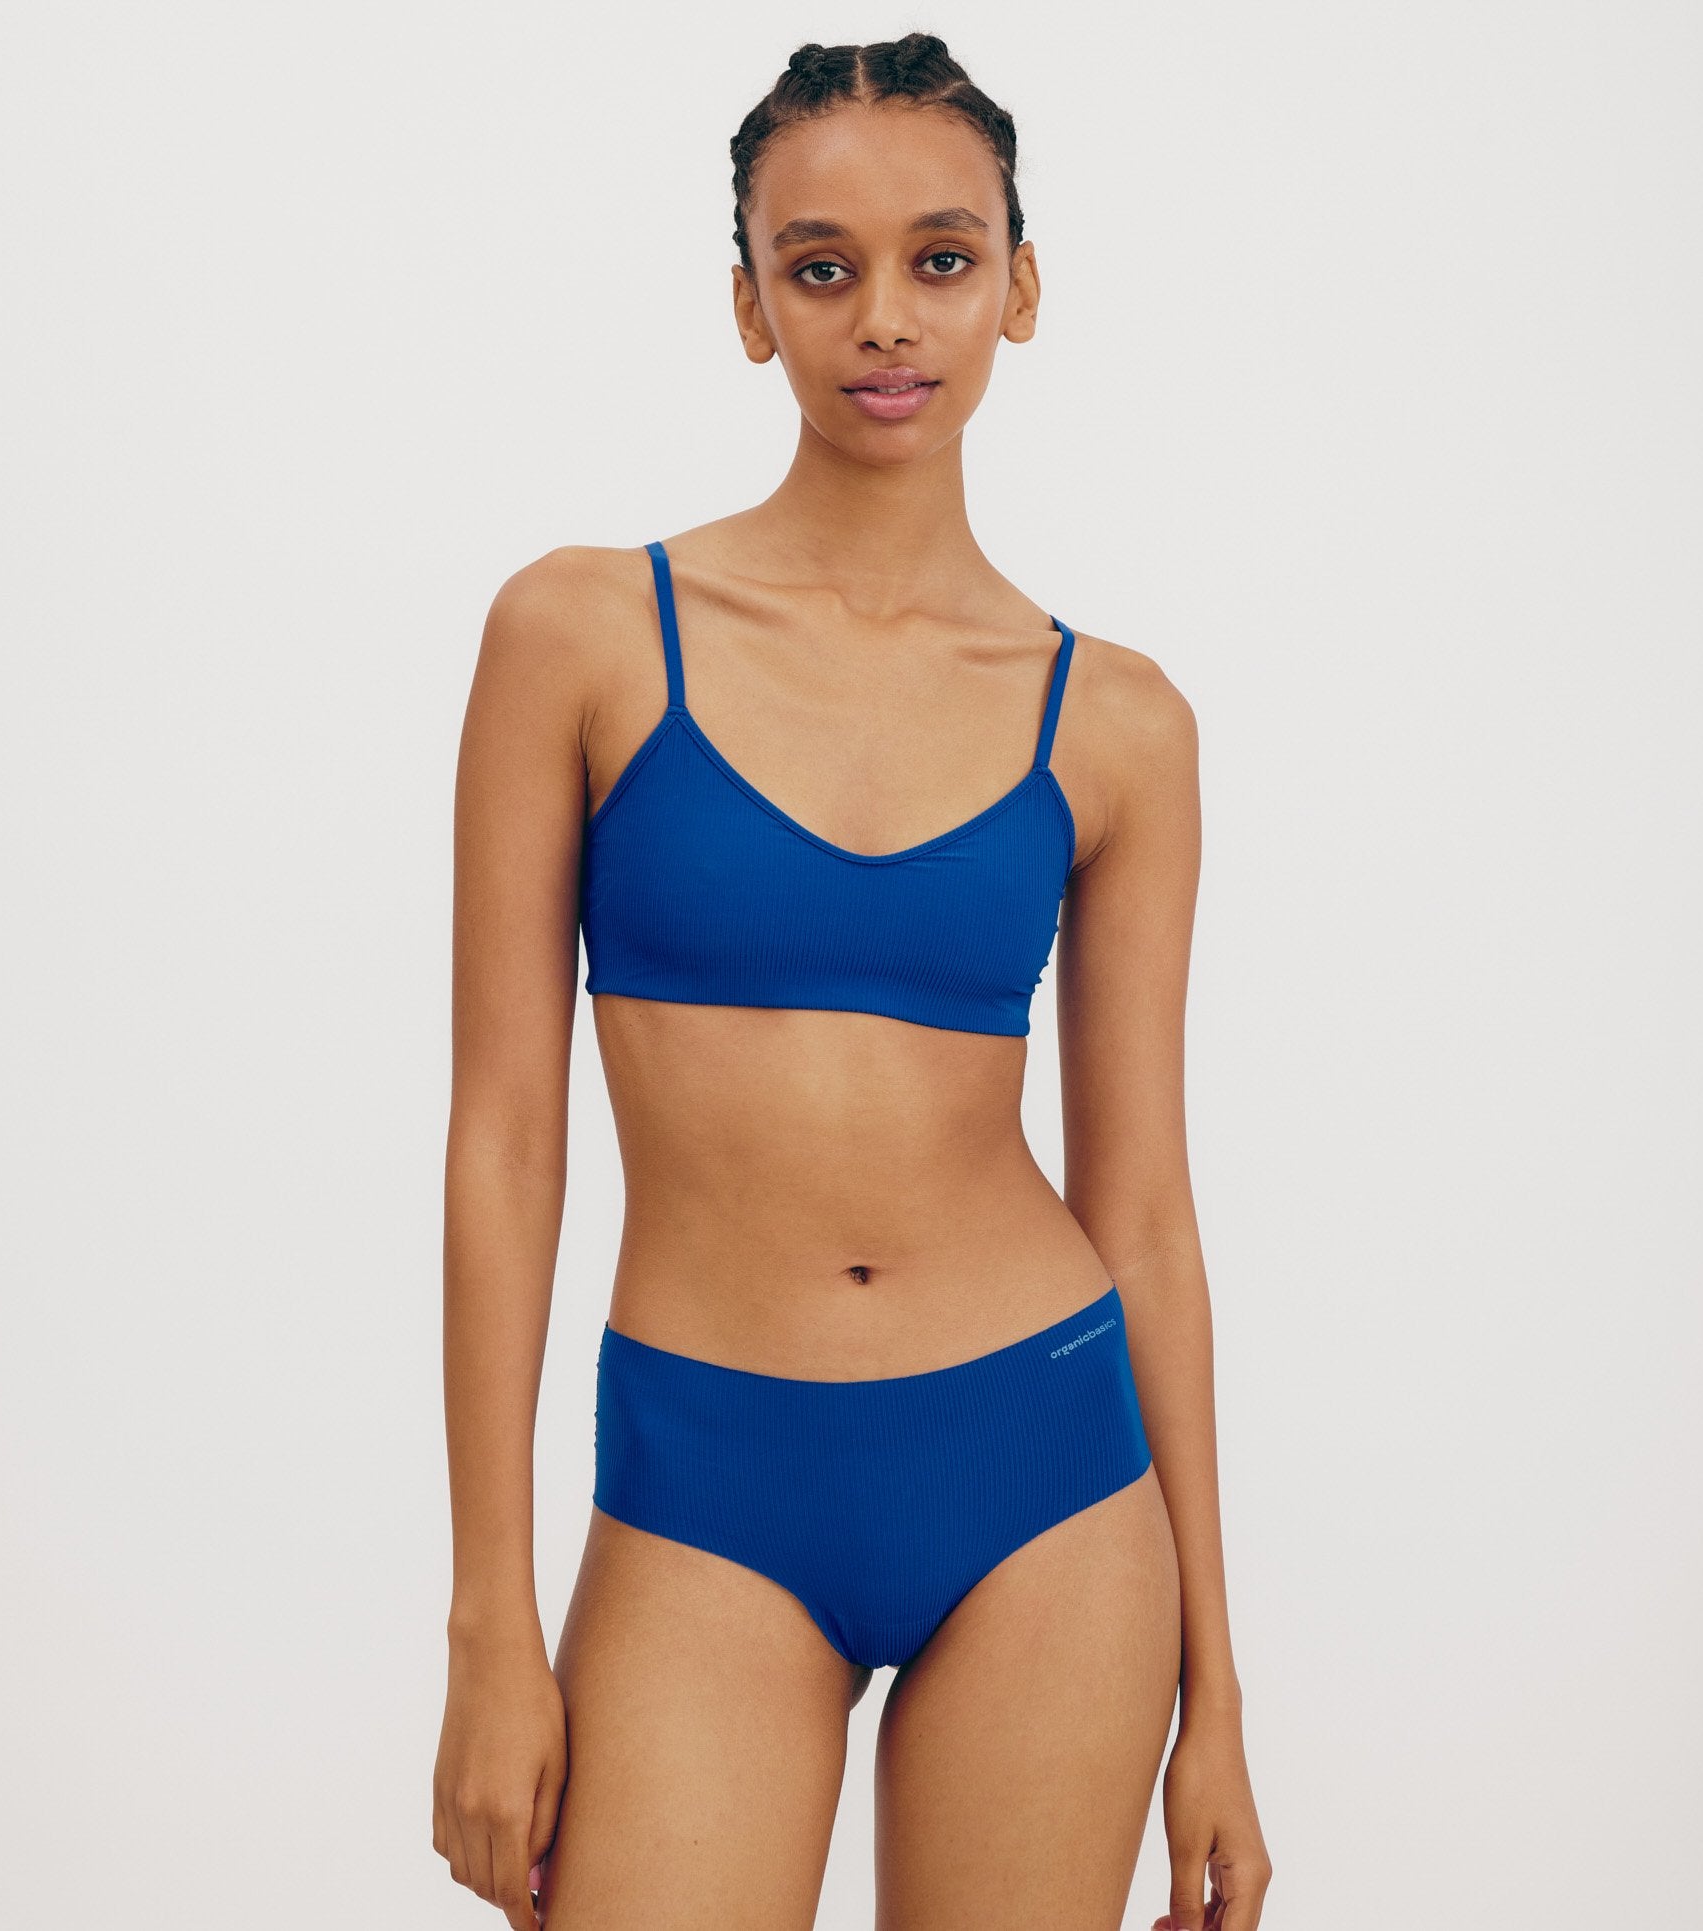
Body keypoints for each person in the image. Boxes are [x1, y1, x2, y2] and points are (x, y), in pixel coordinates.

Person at [431, 32, 1270, 1931]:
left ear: (1020, 289)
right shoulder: (583, 634)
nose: (885, 317)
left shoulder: (1118, 723)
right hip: (707, 1479)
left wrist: (1218, 1689)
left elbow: (1144, 1206)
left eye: (940, 259)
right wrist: (490, 1622)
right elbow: (504, 1143)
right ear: (751, 306)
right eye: (821, 267)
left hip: (1045, 1478)